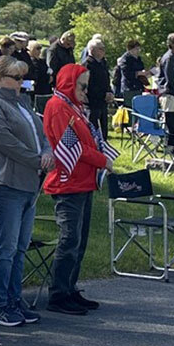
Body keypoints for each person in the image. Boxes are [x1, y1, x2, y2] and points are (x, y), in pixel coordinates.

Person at [0, 56, 50, 327]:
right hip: (1, 181)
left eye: (23, 79)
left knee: (19, 247)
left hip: (28, 183)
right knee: (5, 247)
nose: (21, 84)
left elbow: (41, 135)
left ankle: (15, 300)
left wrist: (47, 153)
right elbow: (2, 140)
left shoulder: (23, 103)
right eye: (16, 78)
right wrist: (35, 159)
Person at [42, 63, 112, 315]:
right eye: (82, 85)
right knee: (69, 239)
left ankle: (70, 288)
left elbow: (86, 141)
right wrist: (103, 160)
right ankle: (59, 293)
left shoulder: (74, 107)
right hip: (67, 182)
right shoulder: (58, 106)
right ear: (70, 84)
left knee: (78, 240)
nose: (86, 90)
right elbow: (74, 147)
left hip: (82, 181)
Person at [82, 38, 113, 140]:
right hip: (92, 103)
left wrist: (109, 92)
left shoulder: (103, 63)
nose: (103, 51)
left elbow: (106, 80)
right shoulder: (87, 64)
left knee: (103, 132)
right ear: (93, 50)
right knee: (92, 132)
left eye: (104, 48)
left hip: (103, 102)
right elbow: (89, 85)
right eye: (101, 48)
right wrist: (102, 94)